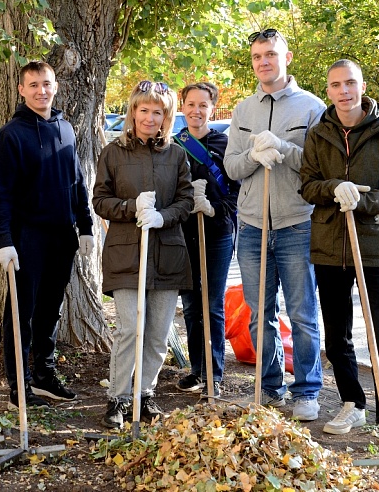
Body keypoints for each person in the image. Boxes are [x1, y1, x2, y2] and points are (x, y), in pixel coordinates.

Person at [300, 59, 379, 449]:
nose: (344, 91)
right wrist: (335, 187)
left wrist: (364, 200)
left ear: (362, 86)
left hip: (373, 247)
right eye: (336, 85)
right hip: (329, 246)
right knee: (337, 335)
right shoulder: (319, 134)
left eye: (350, 83)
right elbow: (307, 186)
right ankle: (353, 401)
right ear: (328, 91)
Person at [224, 29, 326, 421]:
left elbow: (319, 168)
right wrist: (255, 154)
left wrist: (283, 150)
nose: (263, 62)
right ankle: (269, 388)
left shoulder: (312, 108)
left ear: (287, 57)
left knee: (302, 313)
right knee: (258, 313)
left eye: (270, 54)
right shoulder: (243, 110)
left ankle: (307, 391)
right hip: (251, 227)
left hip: (297, 223)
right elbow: (233, 167)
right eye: (256, 56)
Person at [0, 61, 94, 409]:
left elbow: (77, 181)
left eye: (46, 84)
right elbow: (0, 194)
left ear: (55, 86)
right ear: (21, 90)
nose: (40, 91)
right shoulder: (10, 135)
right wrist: (5, 240)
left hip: (62, 235)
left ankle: (45, 375)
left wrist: (86, 226)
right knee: (21, 312)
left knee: (51, 308)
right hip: (26, 238)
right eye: (33, 85)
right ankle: (19, 387)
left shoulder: (66, 128)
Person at [94, 80, 194, 429]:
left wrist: (163, 216)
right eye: (144, 109)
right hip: (126, 255)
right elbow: (100, 201)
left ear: (167, 116)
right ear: (132, 111)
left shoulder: (176, 154)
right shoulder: (113, 153)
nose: (150, 117)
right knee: (129, 329)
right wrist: (130, 206)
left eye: (158, 111)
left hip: (167, 255)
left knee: (156, 333)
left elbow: (186, 201)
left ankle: (144, 393)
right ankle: (118, 399)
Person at [173, 82, 239, 396]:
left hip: (217, 233)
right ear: (182, 107)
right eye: (191, 104)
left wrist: (214, 208)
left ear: (212, 108)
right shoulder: (174, 145)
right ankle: (197, 369)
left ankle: (214, 373)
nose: (197, 111)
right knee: (189, 306)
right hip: (184, 234)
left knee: (211, 304)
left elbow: (237, 192)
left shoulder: (225, 144)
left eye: (203, 105)